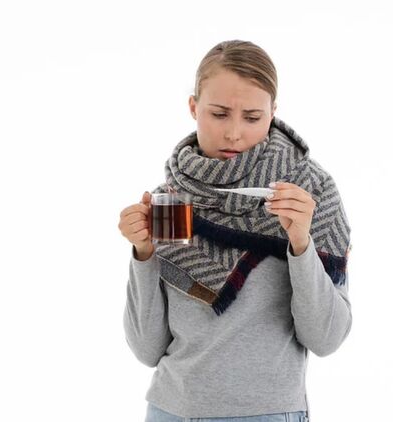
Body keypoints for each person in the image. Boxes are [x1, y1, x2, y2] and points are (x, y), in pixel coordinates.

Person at [118, 40, 352, 421]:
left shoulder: (308, 194)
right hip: (170, 410)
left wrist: (300, 243)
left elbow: (325, 338)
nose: (233, 133)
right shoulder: (171, 200)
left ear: (273, 114)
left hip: (267, 413)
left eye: (252, 117)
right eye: (219, 114)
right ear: (193, 107)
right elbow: (147, 349)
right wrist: (143, 253)